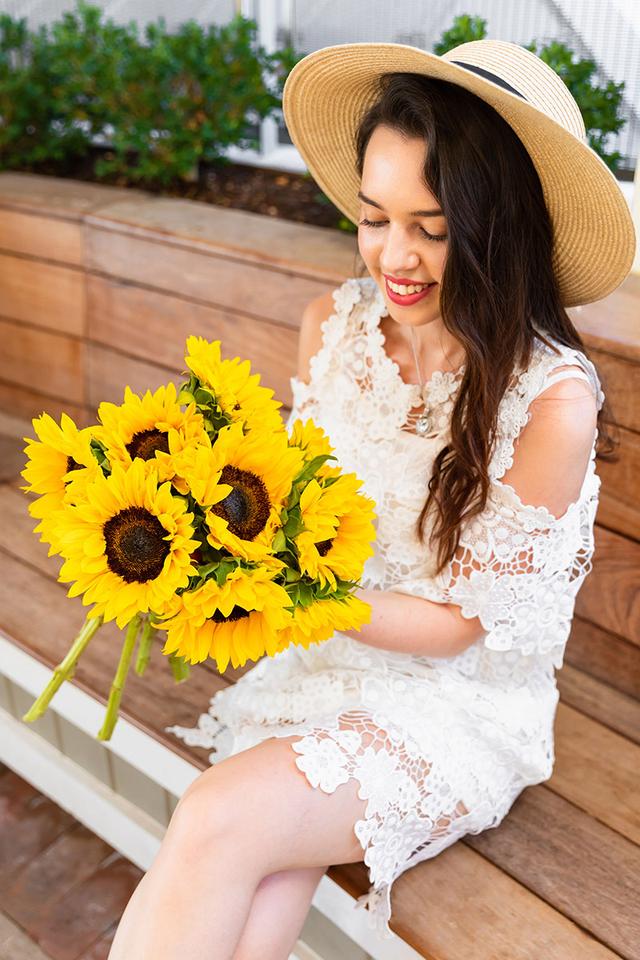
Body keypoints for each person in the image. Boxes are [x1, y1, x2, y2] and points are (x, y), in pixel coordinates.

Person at [107, 38, 635, 960]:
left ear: (495, 231)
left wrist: (294, 593)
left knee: (217, 816)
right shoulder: (332, 327)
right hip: (326, 665)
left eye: (431, 229)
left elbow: (458, 626)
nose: (396, 257)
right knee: (254, 868)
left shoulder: (552, 399)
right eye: (373, 217)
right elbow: (303, 506)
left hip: (457, 703)